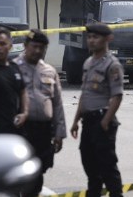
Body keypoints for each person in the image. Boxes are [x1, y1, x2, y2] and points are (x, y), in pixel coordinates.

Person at [70, 23, 124, 197]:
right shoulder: (88, 62)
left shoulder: (112, 65)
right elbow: (84, 94)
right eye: (89, 37)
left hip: (102, 121)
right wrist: (76, 121)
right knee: (90, 165)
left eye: (96, 37)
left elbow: (117, 96)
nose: (91, 41)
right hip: (88, 121)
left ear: (108, 39)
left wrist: (105, 121)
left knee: (107, 167)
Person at [13, 29, 67, 197]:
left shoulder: (49, 71)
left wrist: (59, 133)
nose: (37, 51)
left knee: (38, 172)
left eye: (42, 48)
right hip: (20, 130)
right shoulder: (13, 68)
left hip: (43, 131)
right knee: (18, 174)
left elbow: (57, 103)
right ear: (25, 46)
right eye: (34, 46)